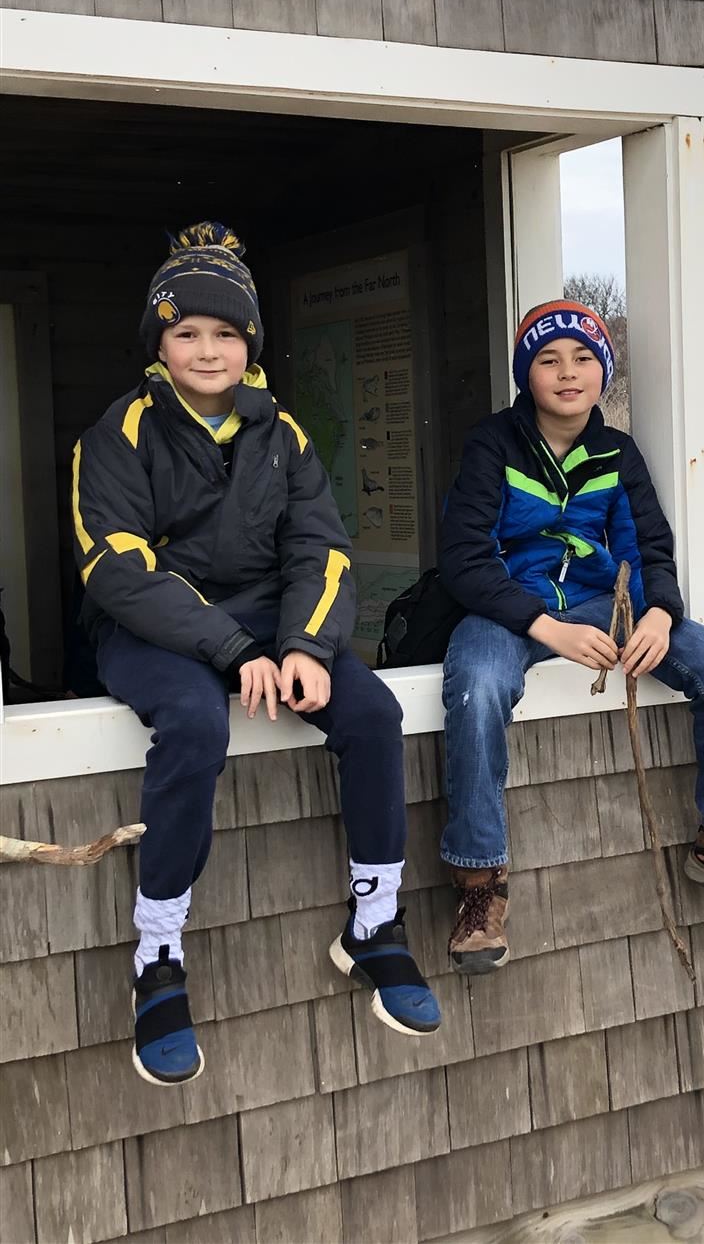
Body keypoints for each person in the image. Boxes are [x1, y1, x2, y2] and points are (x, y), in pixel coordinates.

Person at [72, 222, 440, 1086]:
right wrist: (239, 650)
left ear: (251, 344)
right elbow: (117, 568)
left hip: (267, 627)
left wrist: (308, 645)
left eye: (226, 332)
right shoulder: (115, 434)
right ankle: (157, 955)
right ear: (159, 342)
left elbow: (322, 549)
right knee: (197, 724)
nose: (208, 349)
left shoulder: (285, 436)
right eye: (186, 332)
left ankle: (374, 924)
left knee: (373, 711)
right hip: (150, 629)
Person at [437, 299, 704, 974]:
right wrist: (543, 625)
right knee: (477, 684)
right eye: (548, 360)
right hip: (507, 607)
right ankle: (479, 883)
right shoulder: (493, 445)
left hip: (602, 603)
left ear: (602, 371)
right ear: (527, 374)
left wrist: (659, 612)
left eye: (582, 357)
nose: (566, 372)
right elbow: (464, 558)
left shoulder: (616, 452)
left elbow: (649, 547)